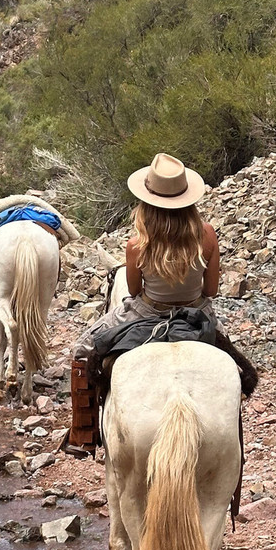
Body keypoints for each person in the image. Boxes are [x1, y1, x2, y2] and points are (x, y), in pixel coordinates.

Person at [63, 153, 256, 458]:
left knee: (84, 349)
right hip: (197, 311)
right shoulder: (206, 235)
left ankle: (83, 434)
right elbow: (211, 289)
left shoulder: (137, 243)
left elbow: (136, 290)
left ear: (147, 200)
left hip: (147, 311)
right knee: (238, 370)